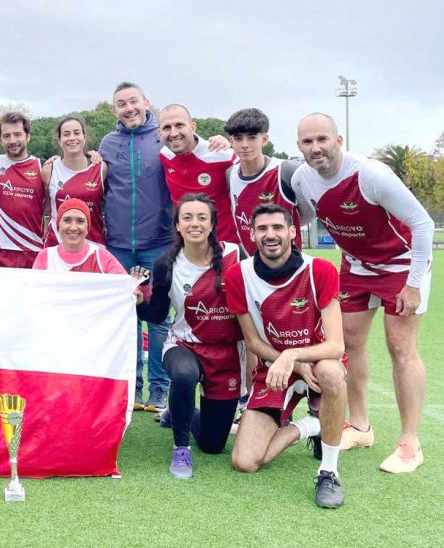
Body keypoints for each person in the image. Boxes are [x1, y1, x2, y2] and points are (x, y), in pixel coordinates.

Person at [293, 113, 434, 473]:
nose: (316, 148)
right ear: (299, 147)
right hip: (355, 265)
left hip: (400, 264)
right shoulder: (301, 178)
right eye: (308, 142)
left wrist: (414, 283)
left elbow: (422, 223)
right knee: (348, 343)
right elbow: (307, 214)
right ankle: (359, 426)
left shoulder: (371, 175)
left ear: (338, 141)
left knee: (400, 346)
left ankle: (410, 444)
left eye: (322, 139)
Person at [226, 204, 348, 509]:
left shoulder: (319, 269)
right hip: (275, 368)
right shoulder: (237, 276)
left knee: (332, 373)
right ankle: (310, 425)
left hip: (317, 362)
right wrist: (284, 359)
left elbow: (336, 346)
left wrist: (294, 355)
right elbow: (252, 342)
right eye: (263, 229)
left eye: (278, 228)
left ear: (293, 232)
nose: (271, 235)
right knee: (245, 461)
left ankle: (329, 472)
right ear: (252, 234)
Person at [137, 195, 243, 480]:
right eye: (187, 218)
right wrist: (138, 302)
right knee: (184, 375)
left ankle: (177, 410)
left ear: (212, 225)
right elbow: (158, 315)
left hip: (228, 355)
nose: (194, 223)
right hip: (184, 345)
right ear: (178, 226)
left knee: (212, 445)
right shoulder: (166, 265)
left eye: (201, 218)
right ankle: (180, 448)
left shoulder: (237, 256)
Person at [99, 82, 173, 412]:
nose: (128, 108)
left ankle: (159, 388)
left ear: (147, 102)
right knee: (124, 319)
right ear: (114, 110)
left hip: (158, 244)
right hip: (117, 245)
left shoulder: (164, 137)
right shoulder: (107, 143)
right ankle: (130, 384)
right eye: (121, 104)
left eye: (133, 101)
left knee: (157, 319)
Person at [222, 107, 302, 256]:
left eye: (252, 137)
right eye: (238, 138)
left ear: (264, 140)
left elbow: (307, 211)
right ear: (231, 141)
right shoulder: (230, 175)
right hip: (252, 266)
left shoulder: (285, 171)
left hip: (290, 264)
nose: (245, 144)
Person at [157, 104, 239, 244]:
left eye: (179, 125)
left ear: (193, 127)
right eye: (167, 128)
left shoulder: (221, 154)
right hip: (188, 249)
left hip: (225, 246)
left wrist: (233, 144)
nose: (174, 133)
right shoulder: (164, 155)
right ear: (159, 133)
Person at [0, 111, 46, 268]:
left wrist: (91, 154)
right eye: (6, 136)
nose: (12, 140)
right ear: (0, 140)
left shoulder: (44, 166)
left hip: (32, 251)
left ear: (28, 136)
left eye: (18, 134)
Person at [41, 114, 106, 248]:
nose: (72, 138)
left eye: (76, 133)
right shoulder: (49, 170)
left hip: (93, 245)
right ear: (59, 140)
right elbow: (45, 207)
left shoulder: (101, 168)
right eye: (66, 134)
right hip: (57, 245)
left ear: (84, 137)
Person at [32, 198, 124, 274]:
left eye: (80, 221)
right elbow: (32, 289)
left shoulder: (101, 255)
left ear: (87, 227)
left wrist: (134, 286)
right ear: (58, 226)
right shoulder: (45, 256)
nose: (73, 227)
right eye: (67, 220)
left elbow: (124, 285)